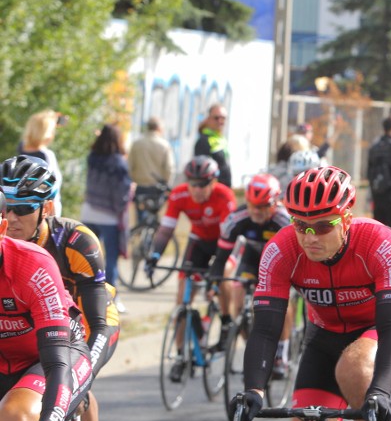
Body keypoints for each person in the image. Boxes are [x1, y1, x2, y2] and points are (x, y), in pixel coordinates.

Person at [233, 166, 391, 421]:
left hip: (380, 332)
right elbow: (266, 330)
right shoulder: (281, 249)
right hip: (324, 337)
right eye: (302, 225)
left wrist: (379, 391)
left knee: (356, 368)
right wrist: (253, 388)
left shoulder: (379, 242)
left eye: (323, 226)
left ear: (347, 218)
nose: (310, 237)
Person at [0, 155, 120, 421]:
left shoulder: (75, 241)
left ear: (46, 208)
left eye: (22, 207)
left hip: (84, 324)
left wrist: (79, 380)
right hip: (22, 333)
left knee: (75, 390)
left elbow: (97, 328)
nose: (11, 217)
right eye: (4, 205)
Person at [145, 157, 236, 378]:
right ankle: (180, 356)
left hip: (224, 243)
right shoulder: (179, 194)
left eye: (203, 184)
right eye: (192, 183)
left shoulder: (224, 196)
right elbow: (166, 229)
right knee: (182, 298)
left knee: (223, 274)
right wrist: (154, 255)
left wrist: (215, 274)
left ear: (213, 182)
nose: (197, 189)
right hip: (199, 242)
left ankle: (226, 321)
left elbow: (228, 236)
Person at [208, 173, 290, 353]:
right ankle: (251, 348)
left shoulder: (285, 221)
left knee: (282, 304)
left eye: (262, 206)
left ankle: (282, 350)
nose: (256, 211)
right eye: (253, 205)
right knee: (238, 305)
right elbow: (221, 257)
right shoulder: (237, 218)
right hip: (252, 258)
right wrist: (214, 282)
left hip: (279, 262)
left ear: (275, 203)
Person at [80, 125, 133, 313]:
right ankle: (110, 298)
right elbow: (121, 194)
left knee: (86, 256)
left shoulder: (92, 158)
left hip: (89, 211)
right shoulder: (119, 163)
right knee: (110, 258)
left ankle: (83, 293)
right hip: (109, 216)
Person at [20, 110, 64, 216]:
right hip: (45, 210)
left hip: (23, 207)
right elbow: (52, 187)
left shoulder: (21, 150)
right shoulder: (46, 156)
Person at [128, 117, 174, 218]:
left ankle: (141, 232)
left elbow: (129, 166)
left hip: (139, 186)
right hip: (157, 187)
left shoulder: (136, 144)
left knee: (141, 218)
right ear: (159, 128)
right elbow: (169, 168)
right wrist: (167, 183)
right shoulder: (164, 145)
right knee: (153, 218)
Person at [194, 103, 232, 188]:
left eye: (223, 118)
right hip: (213, 191)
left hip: (224, 188)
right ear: (208, 119)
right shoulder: (204, 140)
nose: (220, 121)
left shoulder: (221, 138)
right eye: (216, 118)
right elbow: (200, 172)